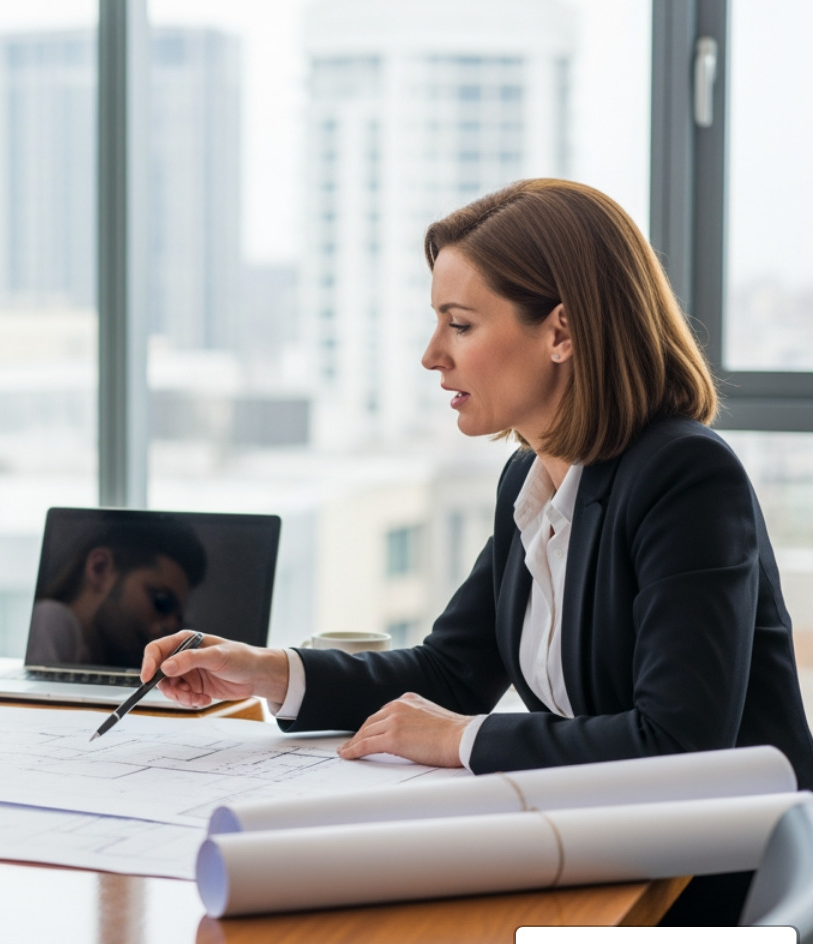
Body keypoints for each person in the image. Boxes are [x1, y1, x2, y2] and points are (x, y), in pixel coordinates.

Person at [145, 178, 813, 792]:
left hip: (716, 882)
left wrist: (462, 738)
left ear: (563, 332)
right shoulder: (531, 480)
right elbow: (452, 672)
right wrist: (264, 672)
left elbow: (679, 744)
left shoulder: (685, 477)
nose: (432, 355)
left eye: (460, 324)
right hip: (600, 838)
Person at [28, 520, 206, 666]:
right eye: (161, 600)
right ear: (100, 568)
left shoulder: (100, 649)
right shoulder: (52, 617)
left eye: (179, 618)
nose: (171, 626)